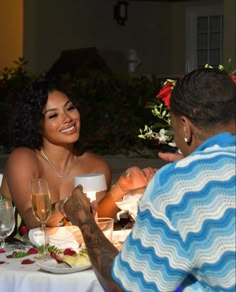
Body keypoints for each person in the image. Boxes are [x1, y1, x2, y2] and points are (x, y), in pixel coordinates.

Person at [63, 67, 236, 291]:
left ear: (185, 127)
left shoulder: (176, 184)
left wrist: (83, 219)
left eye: (173, 128)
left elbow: (122, 287)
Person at [1, 79, 156, 230]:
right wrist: (63, 207)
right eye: (53, 116)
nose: (68, 119)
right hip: (18, 253)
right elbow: (32, 219)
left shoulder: (96, 166)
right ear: (36, 125)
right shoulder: (23, 159)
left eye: (70, 108)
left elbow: (97, 219)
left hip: (72, 253)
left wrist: (122, 188)